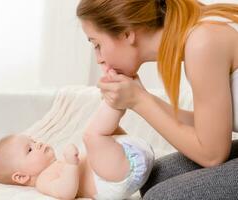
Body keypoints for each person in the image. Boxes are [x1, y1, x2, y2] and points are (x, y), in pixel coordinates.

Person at [76, 0, 238, 199]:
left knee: (161, 196)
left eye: (97, 44)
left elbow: (213, 155)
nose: (99, 58)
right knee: (155, 176)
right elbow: (213, 127)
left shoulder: (203, 42)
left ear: (127, 33)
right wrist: (140, 96)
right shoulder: (198, 36)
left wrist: (139, 100)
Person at [0, 70, 154, 200]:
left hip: (125, 158)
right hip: (111, 179)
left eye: (34, 141)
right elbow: (65, 193)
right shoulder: (43, 180)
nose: (37, 144)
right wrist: (71, 165)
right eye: (29, 150)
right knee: (93, 135)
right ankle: (117, 98)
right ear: (21, 177)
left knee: (103, 135)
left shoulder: (55, 165)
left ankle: (120, 96)